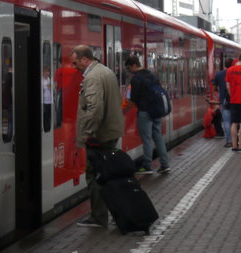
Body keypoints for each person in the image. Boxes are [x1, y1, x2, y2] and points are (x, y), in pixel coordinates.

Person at [72, 45, 124, 227]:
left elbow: (95, 109)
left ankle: (99, 217)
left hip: (99, 135)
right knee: (108, 173)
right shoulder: (106, 71)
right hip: (109, 131)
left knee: (94, 175)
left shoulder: (92, 77)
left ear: (85, 59)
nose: (75, 66)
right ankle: (116, 213)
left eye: (76, 62)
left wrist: (87, 133)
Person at [125, 55, 170, 175]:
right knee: (158, 137)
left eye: (129, 69)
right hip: (156, 111)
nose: (129, 72)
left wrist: (122, 112)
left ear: (134, 66)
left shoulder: (136, 79)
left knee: (146, 139)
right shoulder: (152, 75)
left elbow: (133, 101)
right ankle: (165, 165)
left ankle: (147, 166)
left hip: (145, 112)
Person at [211, 57, 234, 147]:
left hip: (223, 101)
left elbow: (214, 87)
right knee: (234, 122)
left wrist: (216, 96)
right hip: (234, 100)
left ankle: (229, 141)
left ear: (224, 65)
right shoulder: (234, 73)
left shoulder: (219, 74)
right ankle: (236, 140)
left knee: (226, 121)